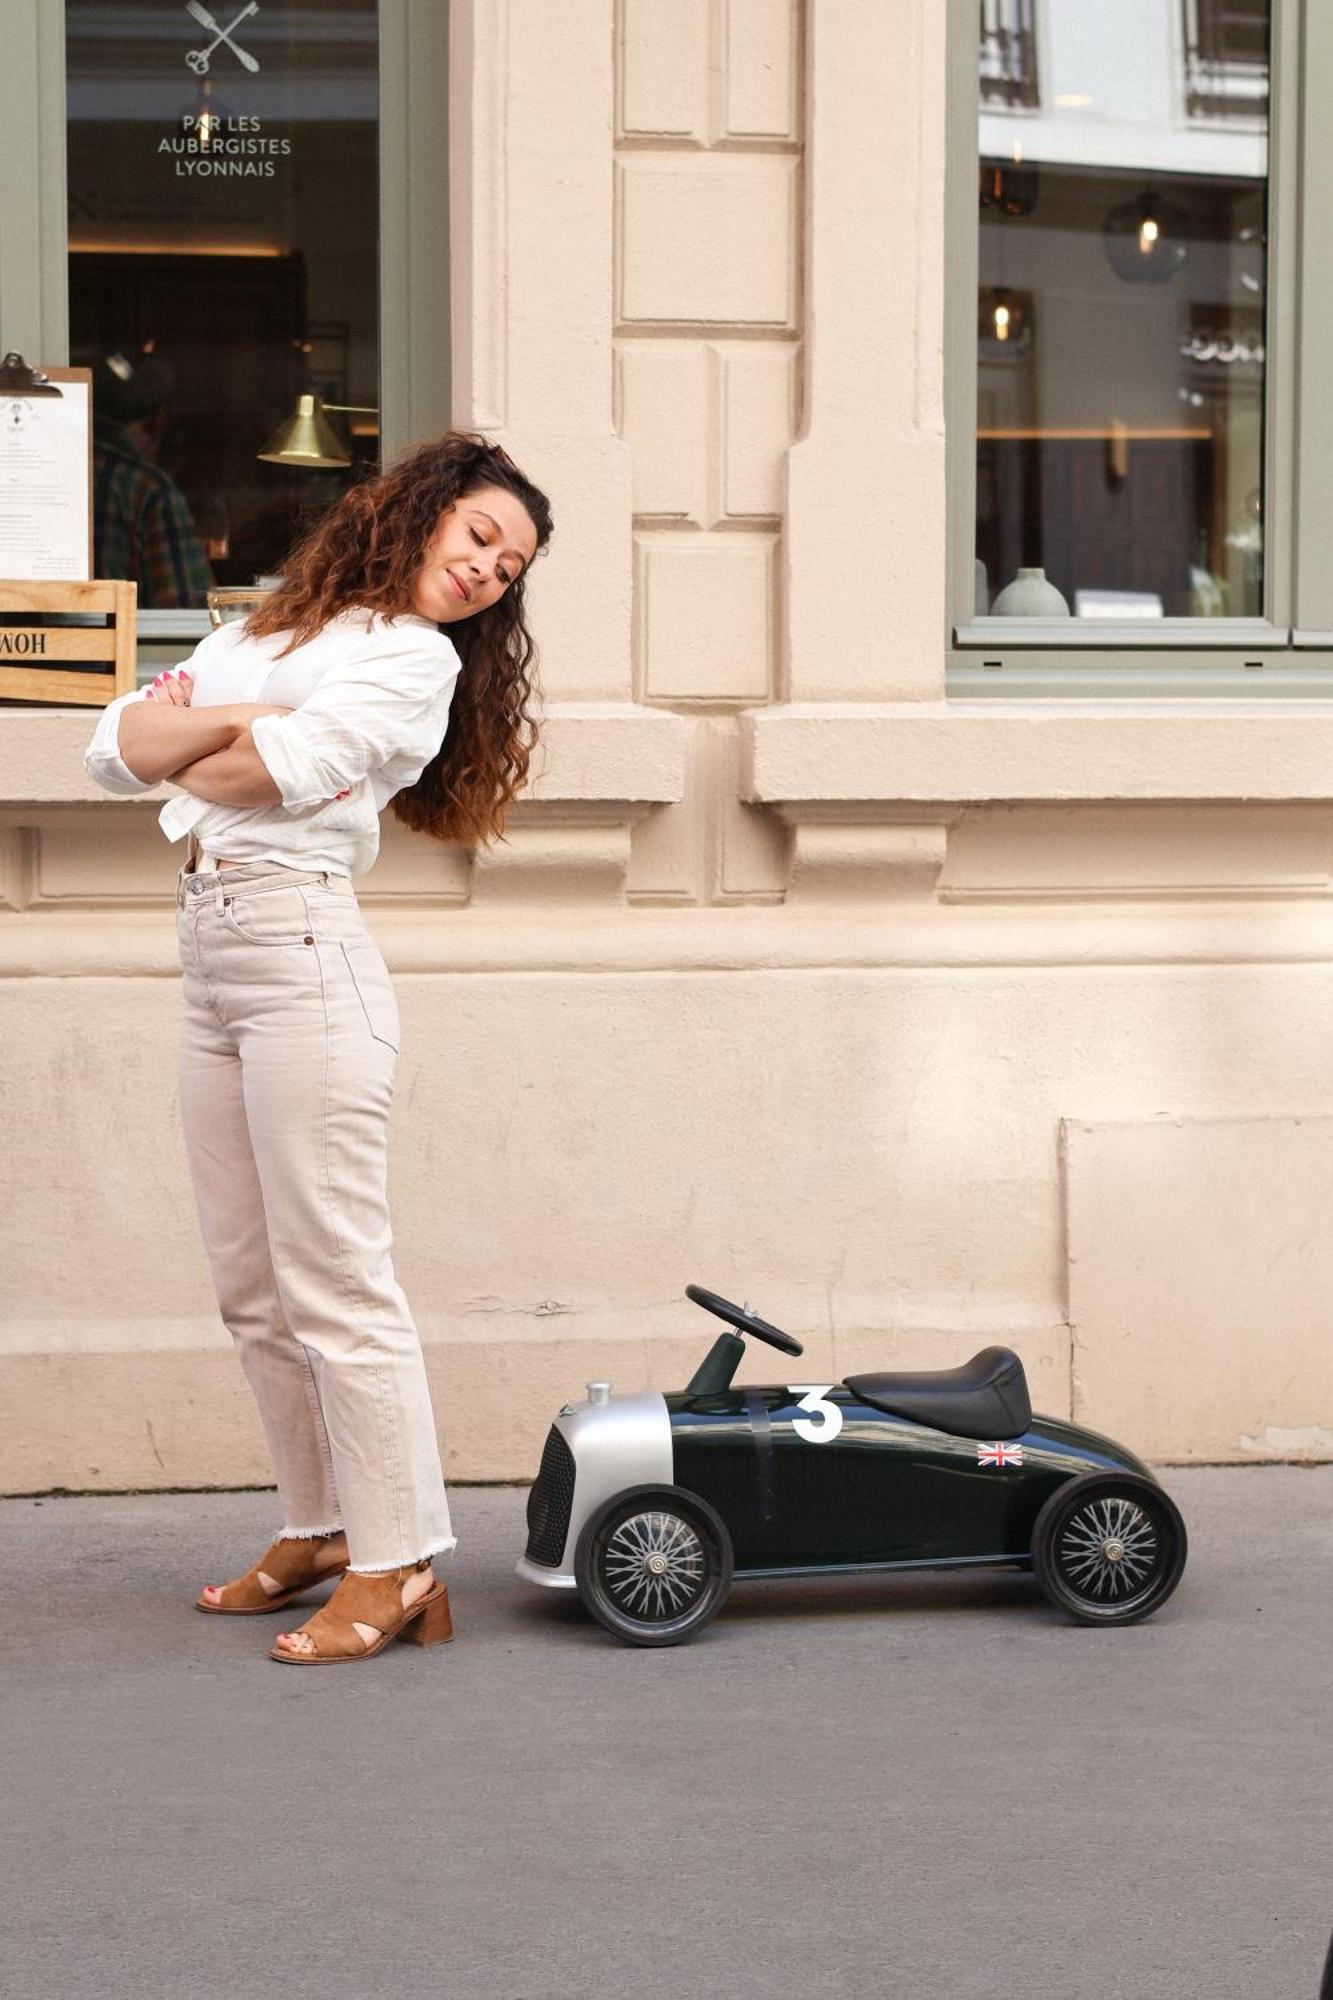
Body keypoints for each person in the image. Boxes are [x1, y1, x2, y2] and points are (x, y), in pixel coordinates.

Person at [84, 432, 552, 1664]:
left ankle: (401, 1563)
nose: (490, 572)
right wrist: (242, 710)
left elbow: (256, 774)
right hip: (212, 959)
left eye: (510, 568)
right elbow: (108, 752)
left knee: (338, 1280)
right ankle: (323, 1524)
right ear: (424, 512)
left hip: (303, 958)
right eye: (481, 538)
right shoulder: (268, 633)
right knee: (251, 1284)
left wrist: (210, 731)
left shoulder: (413, 662)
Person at [90, 350, 214, 609]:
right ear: (154, 423)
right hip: (116, 648)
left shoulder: (35, 471)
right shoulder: (147, 490)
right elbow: (186, 609)